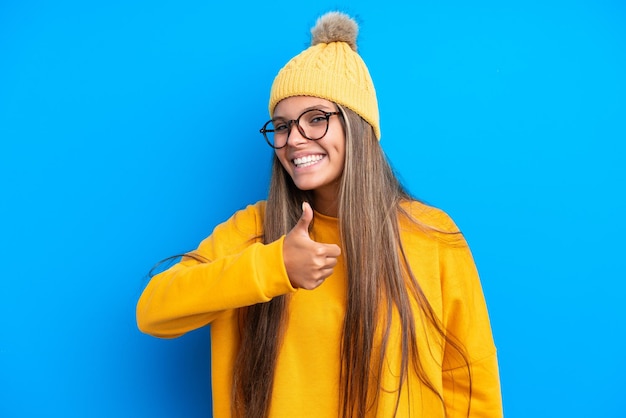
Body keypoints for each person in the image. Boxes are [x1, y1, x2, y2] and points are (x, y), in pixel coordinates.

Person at [137, 11, 503, 418]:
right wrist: (274, 266)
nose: (294, 139)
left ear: (357, 127)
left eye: (316, 119)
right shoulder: (253, 232)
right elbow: (153, 311)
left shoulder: (431, 235)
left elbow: (469, 382)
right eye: (281, 125)